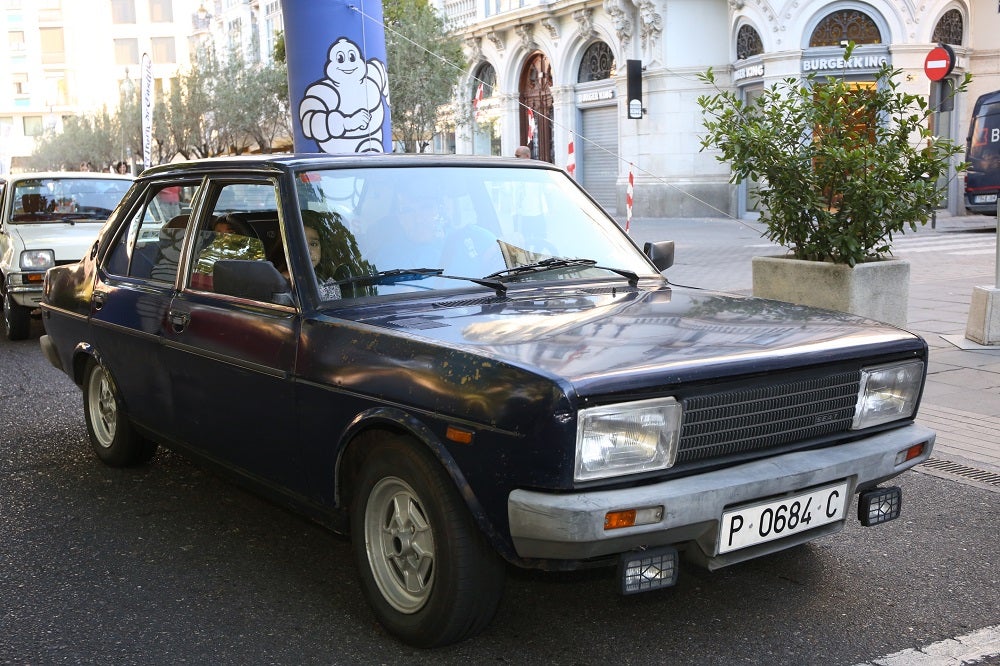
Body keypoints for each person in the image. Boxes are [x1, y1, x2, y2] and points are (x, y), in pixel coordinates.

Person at [302, 210, 374, 299]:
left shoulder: (330, 284)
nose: (308, 251)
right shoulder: (283, 282)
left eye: (313, 244)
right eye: (300, 243)